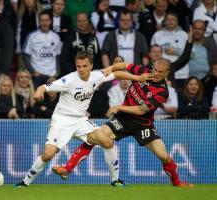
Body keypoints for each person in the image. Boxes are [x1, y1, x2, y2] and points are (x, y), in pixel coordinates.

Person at [15, 51, 151, 187]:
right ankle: (25, 182)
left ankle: (115, 180)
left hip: (80, 120)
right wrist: (39, 90)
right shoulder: (69, 79)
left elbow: (116, 74)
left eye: (84, 66)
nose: (81, 69)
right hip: (62, 120)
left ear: (91, 66)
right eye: (78, 66)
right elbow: (44, 87)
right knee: (48, 154)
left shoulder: (97, 76)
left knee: (107, 142)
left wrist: (137, 78)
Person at [52, 59, 194, 187]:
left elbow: (141, 110)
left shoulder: (162, 91)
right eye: (155, 69)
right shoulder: (144, 72)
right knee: (96, 137)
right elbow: (125, 65)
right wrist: (111, 67)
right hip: (123, 119)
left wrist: (117, 107)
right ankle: (67, 169)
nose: (155, 73)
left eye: (160, 72)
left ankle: (176, 182)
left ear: (167, 73)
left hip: (143, 124)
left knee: (163, 156)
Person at [22, 10, 61, 88]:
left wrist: (57, 72)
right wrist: (32, 72)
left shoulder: (56, 37)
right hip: (37, 76)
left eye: (47, 20)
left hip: (52, 75)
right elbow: (26, 55)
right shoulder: (32, 36)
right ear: (39, 22)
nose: (44, 23)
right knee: (37, 99)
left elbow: (57, 56)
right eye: (42, 20)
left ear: (50, 21)